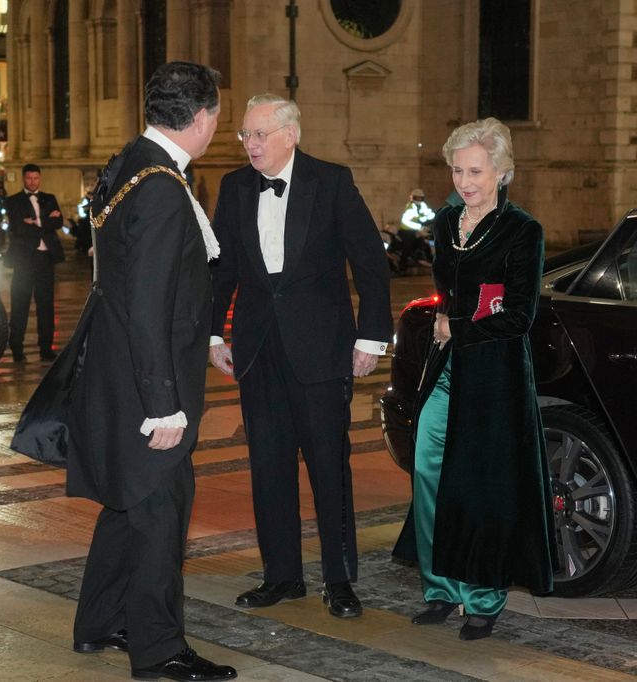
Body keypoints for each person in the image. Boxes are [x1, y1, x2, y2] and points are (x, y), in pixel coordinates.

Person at [59, 60, 234, 682]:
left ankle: (98, 622)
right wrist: (163, 404)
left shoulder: (132, 162)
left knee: (129, 505)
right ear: (205, 116)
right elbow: (148, 303)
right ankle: (160, 651)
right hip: (146, 386)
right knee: (161, 512)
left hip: (117, 373)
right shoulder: (161, 186)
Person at [210, 94, 392, 619]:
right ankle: (282, 576)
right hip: (258, 348)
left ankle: (339, 580)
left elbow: (370, 264)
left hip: (322, 348)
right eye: (246, 135)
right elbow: (221, 269)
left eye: (260, 134)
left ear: (290, 134)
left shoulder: (331, 181)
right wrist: (214, 337)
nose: (250, 144)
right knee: (268, 467)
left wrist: (370, 338)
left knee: (328, 468)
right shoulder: (235, 186)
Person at [392, 118, 555, 640]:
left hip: (495, 375)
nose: (466, 181)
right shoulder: (445, 223)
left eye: (477, 171)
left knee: (482, 485)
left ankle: (483, 596)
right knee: (428, 469)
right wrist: (449, 327)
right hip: (447, 368)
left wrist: (454, 326)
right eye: (459, 170)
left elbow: (520, 315)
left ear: (502, 173)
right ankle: (441, 586)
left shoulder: (522, 230)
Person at [4, 164, 64, 362]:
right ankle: (17, 348)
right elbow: (17, 227)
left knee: (46, 305)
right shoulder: (13, 201)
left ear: (40, 178)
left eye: (35, 178)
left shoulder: (50, 198)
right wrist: (45, 222)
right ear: (23, 178)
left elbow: (59, 222)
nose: (32, 182)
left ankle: (45, 348)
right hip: (24, 258)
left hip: (45, 258)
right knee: (20, 303)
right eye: (29, 178)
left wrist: (36, 222)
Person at [398, 188, 436, 272]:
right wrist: (419, 227)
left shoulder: (423, 205)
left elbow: (428, 213)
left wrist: (436, 216)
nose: (419, 200)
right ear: (413, 198)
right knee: (407, 246)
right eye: (417, 198)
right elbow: (406, 221)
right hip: (407, 231)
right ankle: (402, 267)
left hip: (419, 230)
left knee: (425, 242)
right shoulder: (410, 207)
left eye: (420, 198)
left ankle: (426, 260)